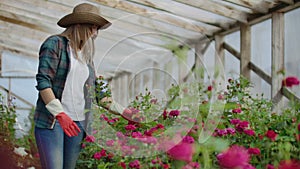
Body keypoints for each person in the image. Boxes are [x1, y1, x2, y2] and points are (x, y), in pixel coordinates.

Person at [34, 3, 115, 169]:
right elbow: (44, 82)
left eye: (97, 28)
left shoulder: (86, 56)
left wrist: (125, 112)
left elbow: (96, 92)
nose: (95, 33)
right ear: (78, 25)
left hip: (78, 122)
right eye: (92, 27)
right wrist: (60, 114)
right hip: (53, 121)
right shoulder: (55, 44)